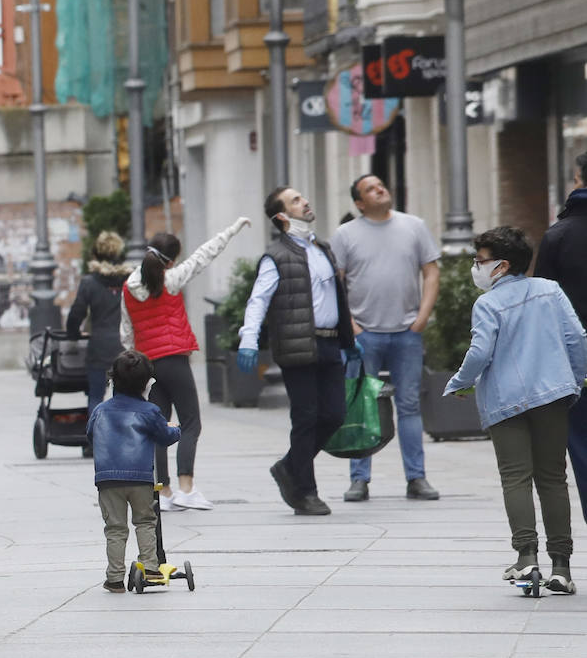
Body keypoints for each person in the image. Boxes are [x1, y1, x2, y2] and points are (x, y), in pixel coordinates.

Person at [445, 227, 587, 593]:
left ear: (502, 266)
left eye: (480, 262)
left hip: (506, 402)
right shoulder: (550, 291)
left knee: (516, 478)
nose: (476, 268)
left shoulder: (488, 304)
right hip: (553, 396)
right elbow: (577, 338)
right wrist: (575, 377)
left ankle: (526, 558)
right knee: (554, 479)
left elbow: (479, 352)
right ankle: (561, 566)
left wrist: (461, 381)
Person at [237, 187, 359, 516]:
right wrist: (249, 339)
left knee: (334, 414)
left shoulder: (323, 248)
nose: (305, 201)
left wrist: (350, 340)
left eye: (303, 197)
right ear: (281, 216)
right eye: (295, 200)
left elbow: (337, 297)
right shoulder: (276, 255)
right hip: (297, 346)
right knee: (305, 418)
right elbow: (258, 299)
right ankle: (305, 492)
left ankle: (289, 465)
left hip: (330, 342)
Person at [120, 218, 250, 511]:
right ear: (171, 260)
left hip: (147, 364)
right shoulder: (172, 279)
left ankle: (163, 492)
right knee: (190, 422)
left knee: (158, 426)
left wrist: (133, 363)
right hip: (174, 359)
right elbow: (204, 255)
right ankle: (186, 488)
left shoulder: (128, 287)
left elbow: (126, 331)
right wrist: (233, 229)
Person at [330, 174, 441, 503]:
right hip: (364, 334)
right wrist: (350, 325)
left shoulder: (415, 226)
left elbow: (431, 270)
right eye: (371, 189)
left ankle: (416, 478)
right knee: (360, 405)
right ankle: (359, 480)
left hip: (407, 332)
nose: (381, 189)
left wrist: (422, 318)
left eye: (381, 185)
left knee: (408, 405)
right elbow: (334, 282)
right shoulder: (345, 234)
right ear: (360, 202)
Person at [89, 351, 181, 592]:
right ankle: (151, 567)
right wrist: (176, 429)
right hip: (140, 478)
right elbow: (165, 436)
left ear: (112, 380)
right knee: (145, 521)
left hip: (108, 479)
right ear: (146, 383)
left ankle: (115, 578)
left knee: (115, 529)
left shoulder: (100, 410)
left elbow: (91, 433)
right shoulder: (149, 411)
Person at [535, 152, 587, 523]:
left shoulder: (559, 235)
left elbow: (544, 307)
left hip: (576, 359)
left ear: (579, 180)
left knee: (582, 442)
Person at [66, 231, 131, 426]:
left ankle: (95, 439)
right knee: (125, 395)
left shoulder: (89, 282)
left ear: (96, 253)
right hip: (125, 345)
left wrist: (73, 334)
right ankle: (123, 435)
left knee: (95, 395)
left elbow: (77, 312)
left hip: (99, 346)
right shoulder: (130, 279)